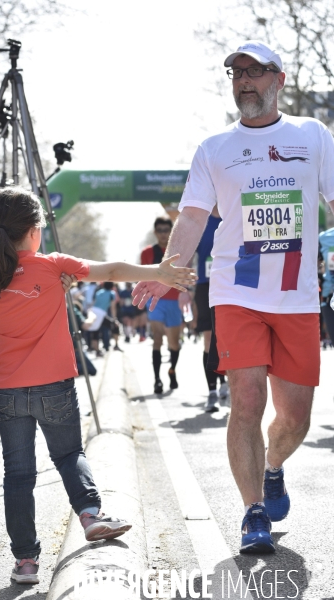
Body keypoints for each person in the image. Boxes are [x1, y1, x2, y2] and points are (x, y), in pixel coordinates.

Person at [132, 40, 334, 554]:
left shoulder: (313, 136)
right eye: (235, 72)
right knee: (245, 400)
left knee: (295, 419)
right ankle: (252, 514)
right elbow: (194, 218)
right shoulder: (213, 148)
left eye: (255, 71)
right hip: (236, 290)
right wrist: (166, 272)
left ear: (279, 80)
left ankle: (272, 467)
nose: (243, 80)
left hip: (296, 296)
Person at [0, 186, 195, 584]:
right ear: (34, 231)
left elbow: (19, 296)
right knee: (68, 454)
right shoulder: (52, 265)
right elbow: (110, 272)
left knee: (18, 475)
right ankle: (91, 516)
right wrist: (158, 272)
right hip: (53, 386)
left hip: (6, 389)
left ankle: (25, 563)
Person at [141, 217, 186, 394]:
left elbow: (185, 275)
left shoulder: (179, 253)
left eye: (166, 230)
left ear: (171, 231)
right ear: (155, 232)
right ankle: (157, 380)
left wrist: (186, 295)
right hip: (155, 301)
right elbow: (142, 276)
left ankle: (172, 370)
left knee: (174, 343)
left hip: (174, 301)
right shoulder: (147, 253)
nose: (163, 234)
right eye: (159, 230)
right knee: (157, 339)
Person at [194, 207, 229, 412]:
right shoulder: (200, 220)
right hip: (205, 286)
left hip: (230, 284)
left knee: (226, 338)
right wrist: (182, 289)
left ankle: (225, 382)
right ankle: (212, 392)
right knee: (209, 340)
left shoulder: (232, 213)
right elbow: (187, 254)